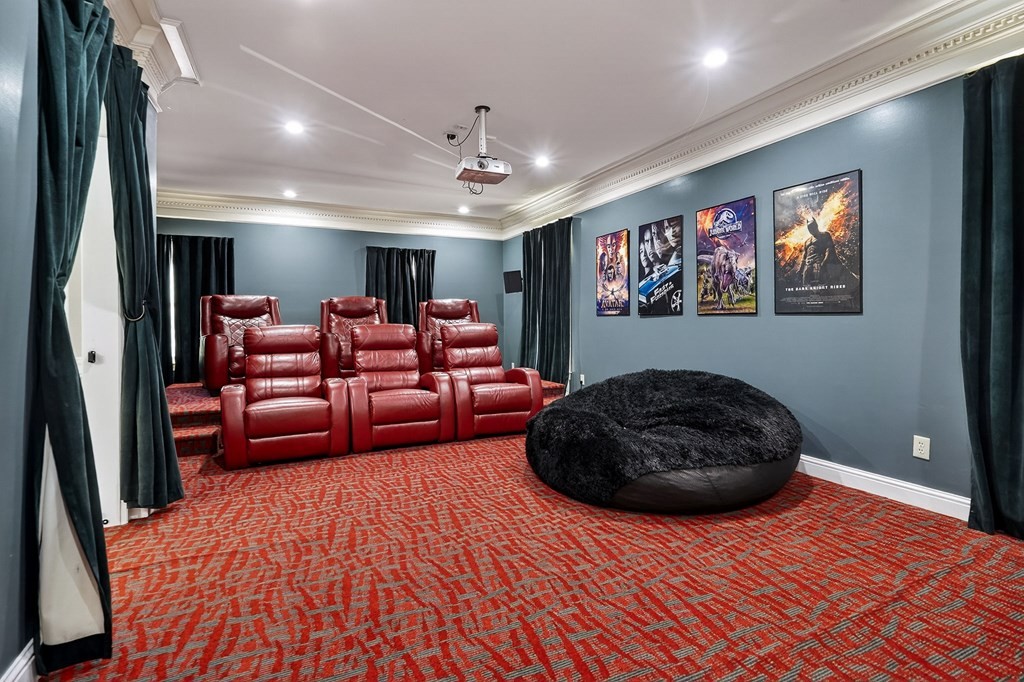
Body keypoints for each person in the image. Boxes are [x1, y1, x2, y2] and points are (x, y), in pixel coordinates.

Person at [798, 207, 837, 286]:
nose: (811, 230)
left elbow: (829, 249)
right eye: (809, 228)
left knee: (822, 284)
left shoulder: (825, 235)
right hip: (808, 265)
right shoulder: (807, 241)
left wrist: (825, 262)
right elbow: (804, 257)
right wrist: (800, 269)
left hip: (819, 262)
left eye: (812, 227)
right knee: (807, 284)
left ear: (816, 226)